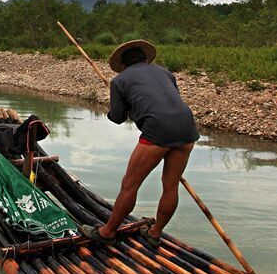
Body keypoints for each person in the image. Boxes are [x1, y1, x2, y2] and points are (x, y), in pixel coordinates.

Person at [81, 39, 200, 247]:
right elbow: (165, 100)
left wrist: (120, 108)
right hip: (187, 126)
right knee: (170, 186)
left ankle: (108, 232)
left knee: (130, 185)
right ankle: (154, 233)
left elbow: (117, 117)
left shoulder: (120, 81)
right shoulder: (165, 72)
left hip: (157, 130)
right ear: (145, 59)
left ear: (123, 65)